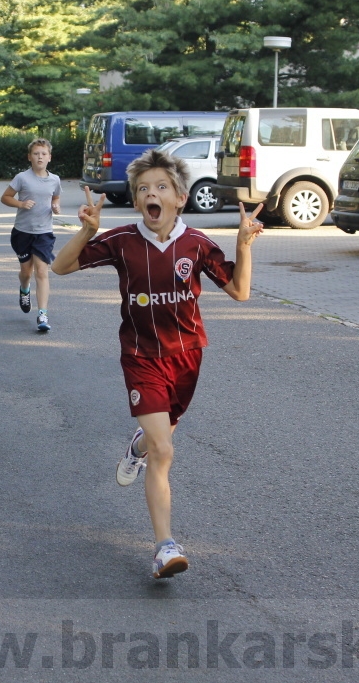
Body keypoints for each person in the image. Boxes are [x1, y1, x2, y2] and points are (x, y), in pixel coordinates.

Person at [52, 148, 263, 579]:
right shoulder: (122, 240)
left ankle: (138, 447)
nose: (152, 193)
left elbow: (240, 292)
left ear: (180, 198)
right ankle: (164, 546)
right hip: (141, 357)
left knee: (156, 441)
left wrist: (243, 245)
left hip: (187, 359)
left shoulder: (198, 244)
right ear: (136, 201)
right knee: (165, 450)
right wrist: (88, 231)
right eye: (143, 188)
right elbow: (60, 266)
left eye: (161, 187)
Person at [0, 138, 62, 332]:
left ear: (49, 157)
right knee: (27, 272)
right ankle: (24, 288)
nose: (40, 157)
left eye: (43, 153)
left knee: (42, 272)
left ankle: (42, 315)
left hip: (44, 233)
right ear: (30, 157)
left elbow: (56, 196)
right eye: (36, 153)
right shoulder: (22, 178)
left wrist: (55, 205)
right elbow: (5, 197)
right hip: (22, 233)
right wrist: (20, 204)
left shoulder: (55, 180)